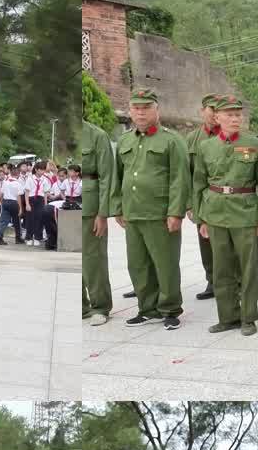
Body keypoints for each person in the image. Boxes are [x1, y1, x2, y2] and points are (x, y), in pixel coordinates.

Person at [194, 94, 258, 336]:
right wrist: (201, 218)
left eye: (238, 114)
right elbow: (198, 184)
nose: (235, 118)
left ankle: (248, 317)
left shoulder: (255, 144)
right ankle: (227, 317)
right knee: (221, 268)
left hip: (245, 212)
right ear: (217, 117)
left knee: (247, 268)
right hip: (215, 213)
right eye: (229, 114)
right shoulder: (205, 146)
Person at [115, 88, 189, 330]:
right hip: (133, 211)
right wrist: (118, 208)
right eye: (136, 108)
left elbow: (180, 179)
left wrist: (175, 212)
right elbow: (119, 176)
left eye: (146, 107)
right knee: (137, 264)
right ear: (130, 111)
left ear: (157, 110)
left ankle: (170, 309)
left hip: (160, 213)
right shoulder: (125, 140)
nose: (141, 112)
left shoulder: (172, 140)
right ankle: (147, 309)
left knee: (165, 263)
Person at [184, 94, 222, 299]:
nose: (215, 114)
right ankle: (212, 282)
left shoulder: (230, 135)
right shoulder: (192, 139)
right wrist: (190, 204)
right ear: (202, 111)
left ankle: (235, 282)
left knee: (229, 244)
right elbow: (187, 174)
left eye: (219, 109)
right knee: (205, 243)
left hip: (226, 199)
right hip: (203, 199)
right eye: (211, 109)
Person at [81, 120, 116, 325]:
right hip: (68, 203)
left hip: (90, 204)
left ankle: (100, 306)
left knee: (93, 258)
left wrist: (103, 213)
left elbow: (107, 176)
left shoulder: (97, 135)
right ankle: (80, 305)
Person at [0, 165, 25, 245]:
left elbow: (1, 193)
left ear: (11, 173)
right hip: (14, 203)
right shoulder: (18, 184)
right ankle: (18, 238)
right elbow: (18, 196)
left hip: (5, 202)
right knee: (17, 221)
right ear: (18, 174)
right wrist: (20, 208)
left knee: (3, 221)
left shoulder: (5, 182)